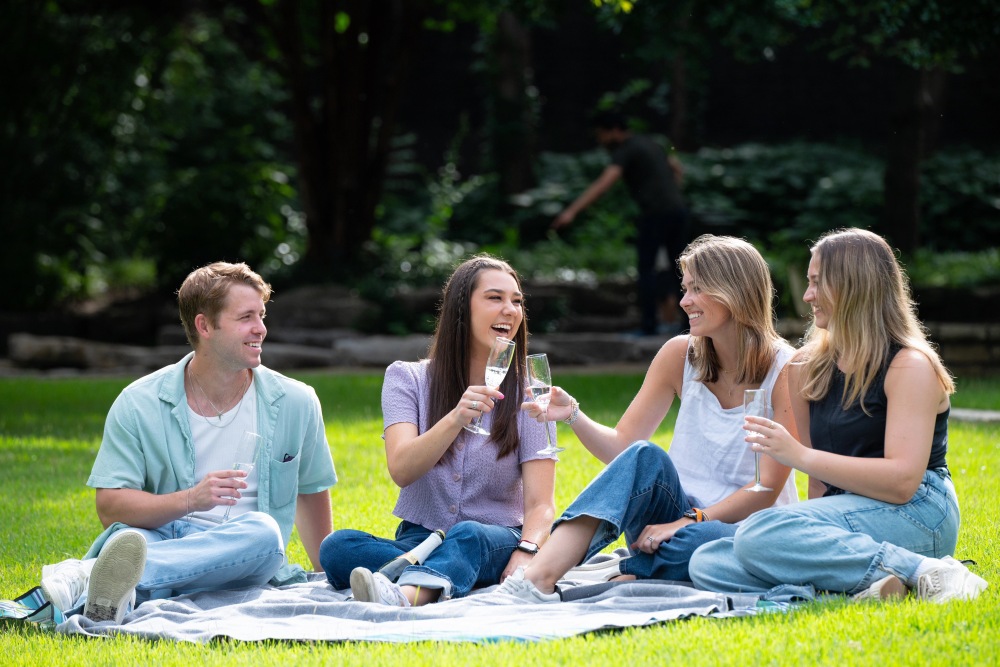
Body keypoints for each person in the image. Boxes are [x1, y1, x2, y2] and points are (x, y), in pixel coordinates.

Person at [688, 228, 989, 603]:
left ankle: (926, 569)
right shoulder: (805, 368)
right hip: (847, 510)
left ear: (853, 287)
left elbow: (902, 482)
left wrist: (797, 457)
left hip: (916, 512)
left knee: (758, 533)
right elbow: (819, 486)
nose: (807, 296)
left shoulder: (908, 365)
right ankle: (866, 590)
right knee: (707, 562)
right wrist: (808, 529)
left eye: (817, 283)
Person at [496, 235, 798, 602]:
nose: (684, 302)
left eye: (697, 289)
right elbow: (623, 449)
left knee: (707, 546)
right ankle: (536, 580)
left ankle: (636, 573)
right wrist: (573, 415)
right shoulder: (679, 354)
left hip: (739, 528)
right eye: (685, 288)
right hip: (667, 521)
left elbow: (765, 488)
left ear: (733, 291)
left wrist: (690, 522)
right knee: (644, 455)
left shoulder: (786, 369)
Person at [39, 261, 338, 623]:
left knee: (265, 533)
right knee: (134, 541)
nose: (260, 328)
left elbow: (310, 490)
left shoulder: (296, 401)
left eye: (261, 315)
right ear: (204, 325)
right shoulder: (139, 402)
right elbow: (111, 506)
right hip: (160, 537)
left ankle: (90, 578)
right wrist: (191, 499)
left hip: (241, 552)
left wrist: (327, 576)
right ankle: (122, 589)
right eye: (246, 317)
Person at [319, 255, 557, 607]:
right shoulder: (407, 379)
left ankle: (406, 594)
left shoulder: (530, 394)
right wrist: (455, 419)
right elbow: (401, 469)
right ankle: (441, 572)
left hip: (493, 539)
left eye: (517, 301)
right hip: (420, 539)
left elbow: (540, 505)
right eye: (495, 298)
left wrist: (526, 551)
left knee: (468, 536)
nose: (510, 310)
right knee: (337, 547)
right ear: (461, 309)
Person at [554, 110, 689, 336]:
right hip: (679, 210)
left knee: (646, 269)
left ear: (615, 131)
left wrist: (571, 212)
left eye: (602, 134)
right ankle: (687, 326)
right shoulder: (651, 143)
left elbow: (604, 183)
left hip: (655, 213)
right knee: (682, 268)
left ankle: (649, 326)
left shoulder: (625, 150)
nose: (600, 140)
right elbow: (676, 168)